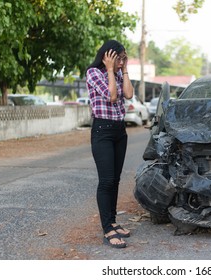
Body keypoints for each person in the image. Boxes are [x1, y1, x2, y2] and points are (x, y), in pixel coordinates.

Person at [86, 40, 133, 248]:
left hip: (119, 131)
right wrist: (111, 70)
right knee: (106, 181)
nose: (122, 61)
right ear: (109, 56)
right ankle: (107, 230)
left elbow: (129, 94)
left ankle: (113, 221)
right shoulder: (93, 73)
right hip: (102, 131)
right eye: (120, 57)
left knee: (115, 180)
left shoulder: (121, 73)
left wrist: (125, 70)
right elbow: (112, 96)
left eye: (124, 58)